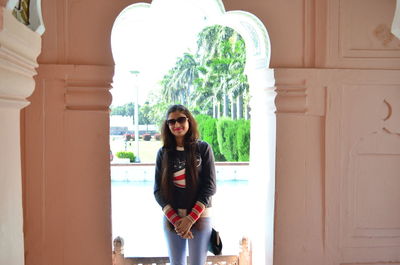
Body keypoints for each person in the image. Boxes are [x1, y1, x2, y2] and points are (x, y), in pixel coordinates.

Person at [154, 104, 217, 265]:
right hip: (172, 218)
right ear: (167, 126)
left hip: (200, 217)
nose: (176, 125)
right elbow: (158, 191)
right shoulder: (163, 153)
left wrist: (190, 219)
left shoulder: (203, 148)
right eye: (171, 122)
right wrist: (177, 221)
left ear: (189, 121)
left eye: (181, 120)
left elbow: (210, 186)